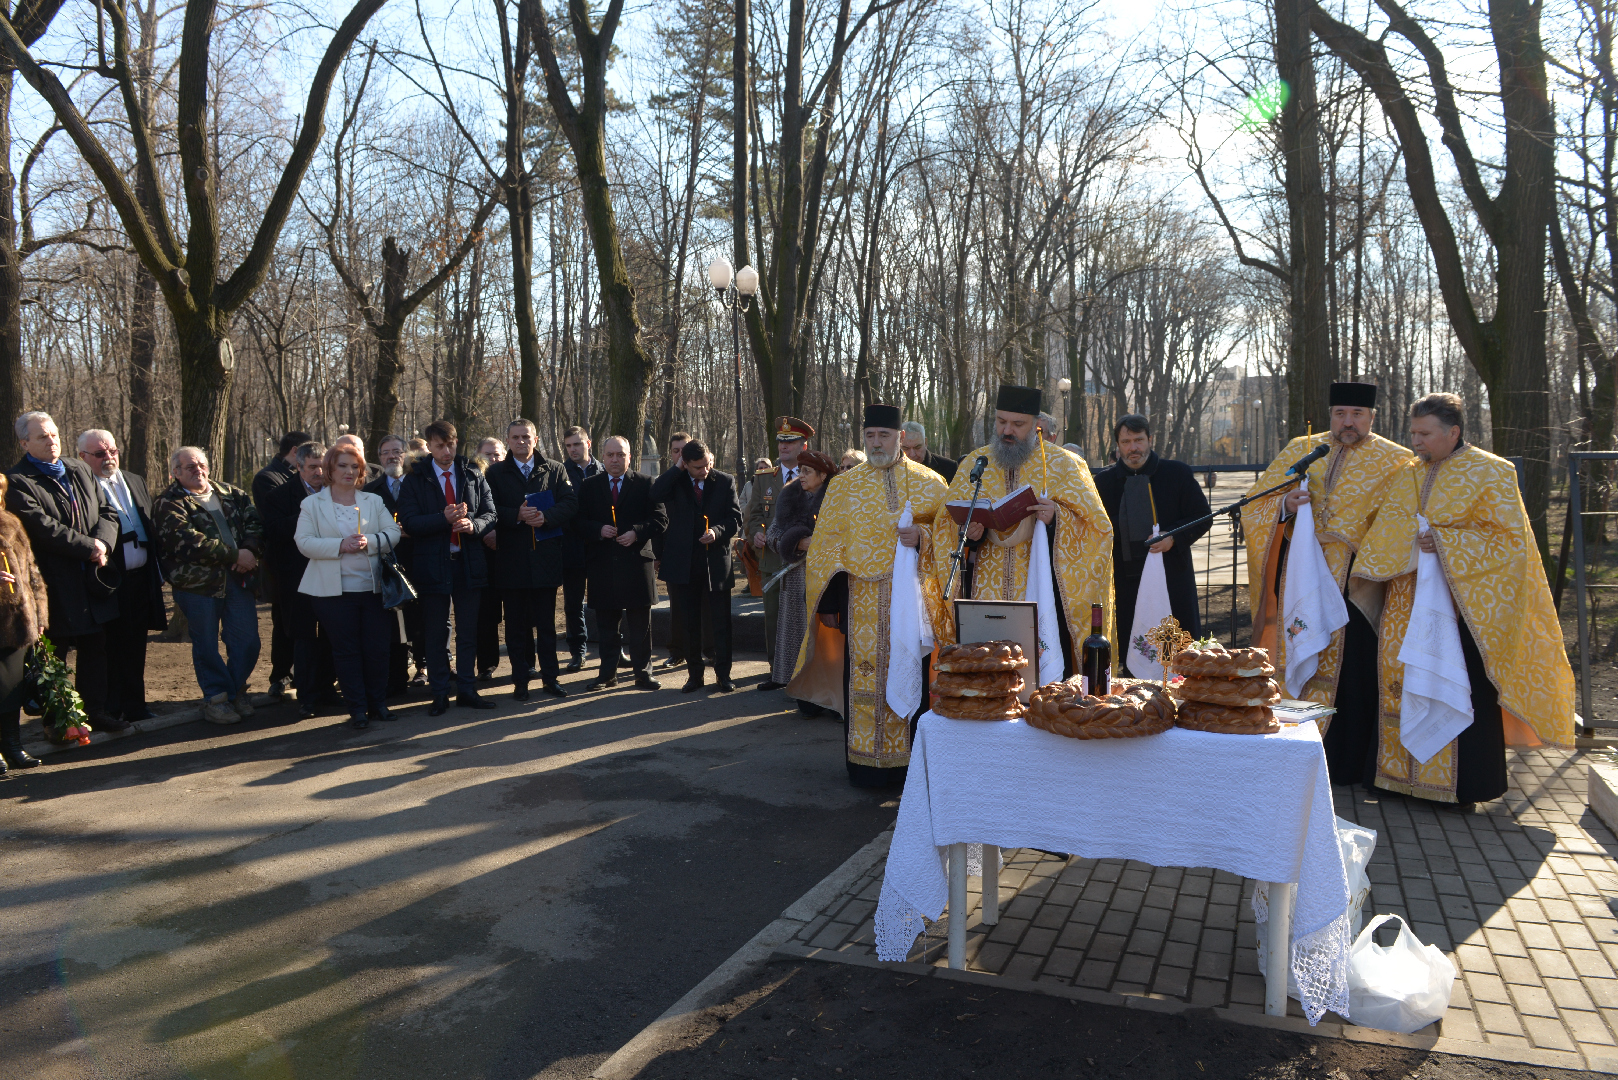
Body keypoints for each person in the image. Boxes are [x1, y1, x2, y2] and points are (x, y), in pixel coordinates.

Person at [1349, 394, 1572, 804]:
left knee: (1457, 684)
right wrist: (1412, 543)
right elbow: (1385, 530)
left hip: (1462, 606)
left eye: (1425, 433)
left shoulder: (1492, 472)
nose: (1416, 441)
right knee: (1401, 684)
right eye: (1413, 433)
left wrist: (1446, 542)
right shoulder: (1408, 474)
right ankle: (1396, 778)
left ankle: (1461, 785)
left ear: (1453, 432)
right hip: (1406, 601)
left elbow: (1509, 542)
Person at [1244, 382, 1412, 784]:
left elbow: (1402, 522)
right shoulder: (1301, 448)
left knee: (1353, 671)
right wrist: (1284, 505)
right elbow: (1257, 500)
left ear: (1372, 417)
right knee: (1297, 656)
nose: (1348, 422)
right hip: (1299, 574)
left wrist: (1358, 545)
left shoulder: (1397, 461)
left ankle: (1344, 764)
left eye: (1357, 414)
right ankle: (1292, 753)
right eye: (1340, 414)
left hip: (1356, 580)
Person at [801, 405, 950, 786]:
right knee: (862, 680)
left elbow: (951, 540)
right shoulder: (844, 486)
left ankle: (910, 768)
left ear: (900, 438)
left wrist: (924, 539)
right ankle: (863, 765)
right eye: (870, 436)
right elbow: (827, 550)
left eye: (884, 435)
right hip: (859, 602)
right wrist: (831, 606)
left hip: (911, 604)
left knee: (911, 673)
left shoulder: (930, 482)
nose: (876, 443)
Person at [931, 385, 1115, 676]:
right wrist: (970, 535)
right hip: (985, 591)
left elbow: (1098, 529)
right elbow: (945, 524)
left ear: (1035, 424)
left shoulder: (1064, 465)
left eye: (1018, 424)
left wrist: (1056, 518)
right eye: (1001, 422)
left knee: (1041, 675)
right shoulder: (976, 463)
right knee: (990, 671)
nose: (1008, 431)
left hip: (1043, 590)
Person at [7, 411, 122, 730]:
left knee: (95, 648)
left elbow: (107, 511)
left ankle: (96, 712)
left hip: (92, 578)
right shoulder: (18, 481)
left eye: (54, 434)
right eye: (42, 436)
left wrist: (103, 544)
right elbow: (43, 529)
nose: (51, 441)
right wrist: (90, 548)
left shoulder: (79, 468)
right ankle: (60, 721)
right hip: (54, 582)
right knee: (55, 654)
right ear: (25, 442)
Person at [1092, 415, 1212, 673]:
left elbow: (1203, 516)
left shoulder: (1176, 473)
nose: (1133, 448)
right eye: (1126, 441)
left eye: (1138, 440)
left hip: (1172, 578)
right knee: (1134, 655)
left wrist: (1174, 537)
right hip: (1125, 584)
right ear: (1117, 445)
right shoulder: (1103, 483)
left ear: (1150, 440)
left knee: (1179, 658)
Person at [296, 442, 402, 730]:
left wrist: (372, 542)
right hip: (332, 593)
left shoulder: (372, 501)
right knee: (346, 652)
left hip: (373, 589)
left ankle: (378, 704)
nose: (349, 471)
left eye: (355, 466)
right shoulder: (312, 504)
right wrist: (340, 545)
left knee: (378, 649)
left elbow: (393, 532)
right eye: (342, 465)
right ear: (329, 468)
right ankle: (357, 709)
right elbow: (303, 543)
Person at [154, 446, 263, 724]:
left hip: (238, 579)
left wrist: (249, 550)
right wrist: (235, 554)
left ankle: (234, 690)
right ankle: (216, 699)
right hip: (198, 586)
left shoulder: (231, 493)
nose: (198, 470)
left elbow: (255, 523)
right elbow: (187, 541)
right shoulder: (169, 503)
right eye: (190, 467)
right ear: (175, 472)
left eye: (201, 464)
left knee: (247, 641)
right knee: (206, 645)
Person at [397, 420, 498, 715]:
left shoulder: (471, 472)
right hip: (431, 565)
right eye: (440, 445)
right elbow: (409, 521)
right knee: (436, 632)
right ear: (429, 446)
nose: (447, 450)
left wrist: (474, 524)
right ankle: (439, 692)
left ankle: (467, 689)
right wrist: (443, 518)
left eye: (451, 443)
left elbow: (490, 512)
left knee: (469, 630)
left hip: (468, 563)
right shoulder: (415, 477)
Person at [77, 429, 167, 723]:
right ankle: (110, 707)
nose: (108, 458)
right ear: (83, 457)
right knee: (110, 646)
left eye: (112, 451)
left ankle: (136, 705)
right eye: (100, 454)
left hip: (141, 577)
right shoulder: (83, 487)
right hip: (108, 580)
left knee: (135, 644)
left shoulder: (134, 479)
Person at [487, 417, 577, 700]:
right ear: (508, 441)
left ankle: (551, 678)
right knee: (515, 627)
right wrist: (517, 514)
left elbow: (570, 503)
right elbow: (487, 508)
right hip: (511, 562)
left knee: (547, 626)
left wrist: (545, 518)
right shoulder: (496, 473)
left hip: (545, 560)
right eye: (515, 438)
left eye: (526, 437)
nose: (521, 442)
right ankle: (521, 680)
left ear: (535, 439)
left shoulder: (554, 469)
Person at [576, 435, 667, 690]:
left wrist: (637, 532)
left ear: (629, 457)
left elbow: (661, 520)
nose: (615, 459)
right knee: (606, 626)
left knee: (640, 626)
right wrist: (597, 530)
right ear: (602, 457)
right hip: (603, 565)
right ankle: (607, 674)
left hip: (637, 564)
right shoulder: (589, 486)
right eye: (610, 455)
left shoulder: (647, 483)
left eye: (620, 455)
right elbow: (578, 522)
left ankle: (643, 673)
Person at [650, 439, 740, 692]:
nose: (704, 471)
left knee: (721, 623)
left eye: (707, 464)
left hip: (715, 562)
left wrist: (717, 531)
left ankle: (724, 675)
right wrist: (677, 469)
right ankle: (695, 676)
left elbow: (735, 519)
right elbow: (655, 494)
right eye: (697, 467)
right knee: (688, 624)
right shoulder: (676, 480)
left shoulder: (724, 481)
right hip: (683, 563)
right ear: (686, 464)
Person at [261, 442, 337, 719]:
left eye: (322, 466)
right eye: (313, 467)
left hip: (333, 572)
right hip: (298, 577)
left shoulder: (337, 492)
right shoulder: (279, 496)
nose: (319, 472)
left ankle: (328, 690)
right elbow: (274, 532)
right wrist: (309, 514)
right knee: (306, 638)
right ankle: (307, 697)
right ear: (299, 467)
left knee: (330, 634)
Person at [746, 416, 816, 689]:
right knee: (774, 617)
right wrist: (756, 535)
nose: (784, 446)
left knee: (804, 618)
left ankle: (806, 671)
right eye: (780, 442)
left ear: (803, 444)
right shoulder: (765, 479)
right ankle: (777, 671)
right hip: (772, 559)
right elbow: (753, 517)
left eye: (790, 442)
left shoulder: (815, 476)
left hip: (805, 562)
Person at [764, 448, 836, 709]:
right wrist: (794, 542)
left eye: (807, 471)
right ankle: (804, 698)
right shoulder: (789, 497)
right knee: (798, 643)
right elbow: (773, 534)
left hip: (828, 583)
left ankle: (829, 699)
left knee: (827, 644)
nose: (801, 475)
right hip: (795, 583)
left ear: (822, 474)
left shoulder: (837, 499)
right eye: (801, 471)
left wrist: (821, 545)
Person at [366, 434, 427, 693]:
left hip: (420, 559)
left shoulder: (420, 482)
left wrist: (413, 528)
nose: (391, 456)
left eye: (396, 451)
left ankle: (426, 668)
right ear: (379, 458)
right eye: (385, 453)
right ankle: (397, 677)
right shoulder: (370, 491)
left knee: (423, 619)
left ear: (406, 454)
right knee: (394, 623)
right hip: (389, 566)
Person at [254, 431, 311, 699]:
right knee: (285, 622)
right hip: (284, 565)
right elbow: (274, 524)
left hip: (310, 561)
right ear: (297, 452)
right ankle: (280, 675)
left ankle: (303, 675)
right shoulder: (268, 479)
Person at [0, 474, 47, 774]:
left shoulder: (12, 522)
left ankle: (13, 746)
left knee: (11, 689)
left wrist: (40, 615)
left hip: (17, 623)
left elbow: (32, 572)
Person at [559, 425, 602, 672]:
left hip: (600, 546)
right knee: (573, 604)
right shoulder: (559, 472)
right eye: (568, 445)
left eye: (577, 444)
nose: (573, 449)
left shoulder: (604, 468)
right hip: (571, 546)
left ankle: (614, 649)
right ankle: (578, 651)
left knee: (608, 601)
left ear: (588, 443)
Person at [653, 430, 695, 671]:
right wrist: (658, 555)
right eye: (676, 451)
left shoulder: (704, 474)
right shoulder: (669, 479)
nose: (681, 456)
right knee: (677, 608)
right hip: (674, 554)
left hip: (699, 551)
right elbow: (657, 505)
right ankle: (677, 652)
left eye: (685, 450)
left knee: (703, 606)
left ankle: (707, 650)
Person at [470, 448, 504, 681]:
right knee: (486, 614)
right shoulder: (472, 478)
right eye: (488, 454)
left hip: (508, 553)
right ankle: (487, 664)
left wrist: (499, 534)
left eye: (497, 454)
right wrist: (484, 534)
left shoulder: (507, 476)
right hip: (482, 554)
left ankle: (524, 663)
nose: (493, 459)